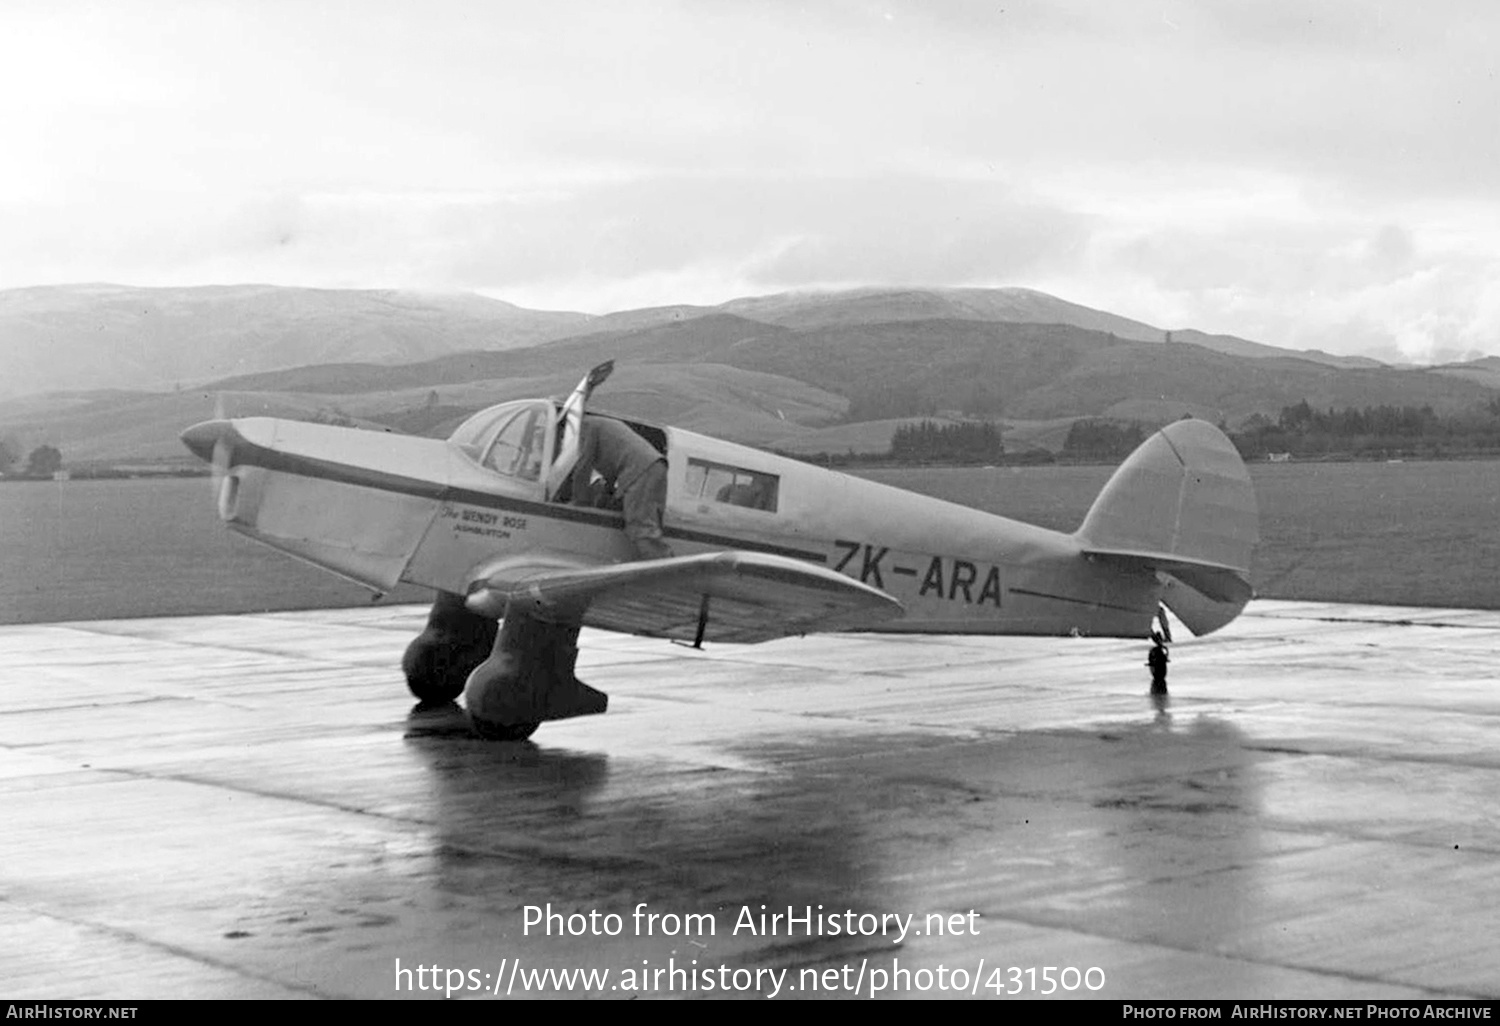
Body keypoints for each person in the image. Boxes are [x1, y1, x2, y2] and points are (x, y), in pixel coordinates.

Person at [570, 414, 673, 559]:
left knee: (642, 530)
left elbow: (583, 467)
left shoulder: (586, 427)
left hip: (641, 470)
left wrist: (578, 503)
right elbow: (613, 467)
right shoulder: (600, 426)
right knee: (648, 528)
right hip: (652, 467)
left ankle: (668, 576)